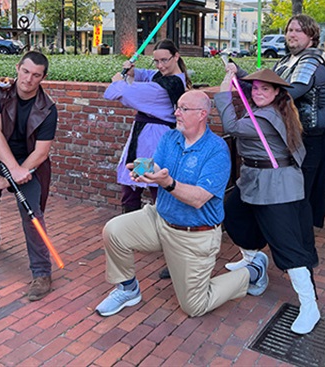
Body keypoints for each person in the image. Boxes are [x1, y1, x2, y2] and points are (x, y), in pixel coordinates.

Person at [95, 90, 269, 318]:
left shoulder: (216, 150)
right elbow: (156, 165)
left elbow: (198, 198)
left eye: (183, 109)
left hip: (194, 235)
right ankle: (128, 289)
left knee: (195, 306)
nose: (176, 112)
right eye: (177, 107)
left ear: (201, 114)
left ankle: (253, 270)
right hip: (160, 219)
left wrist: (167, 182)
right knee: (114, 231)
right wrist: (141, 170)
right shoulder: (170, 137)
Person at [214, 66, 320, 334]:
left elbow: (230, 126)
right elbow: (256, 84)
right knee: (234, 212)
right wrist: (239, 71)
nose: (258, 92)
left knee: (287, 245)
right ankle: (253, 259)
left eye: (266, 88)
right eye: (255, 88)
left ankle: (310, 305)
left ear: (276, 92)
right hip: (255, 179)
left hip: (276, 185)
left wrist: (226, 84)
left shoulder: (264, 118)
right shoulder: (278, 107)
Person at [0, 51, 58, 301]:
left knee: (32, 213)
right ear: (17, 68)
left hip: (29, 161)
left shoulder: (48, 109)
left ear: (43, 77)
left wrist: (12, 177)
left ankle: (42, 272)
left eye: (36, 75)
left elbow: (41, 152)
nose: (28, 79)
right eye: (25, 71)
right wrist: (10, 170)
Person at [105, 39, 191, 279]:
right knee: (133, 186)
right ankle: (127, 234)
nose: (160, 65)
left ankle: (173, 252)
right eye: (157, 59)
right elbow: (149, 75)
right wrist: (135, 71)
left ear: (176, 57)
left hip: (152, 144)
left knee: (157, 192)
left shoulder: (167, 86)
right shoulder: (169, 77)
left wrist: (119, 80)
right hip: (146, 140)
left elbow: (117, 93)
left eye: (165, 59)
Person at [273, 14, 325, 229]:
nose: (292, 34)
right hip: (296, 131)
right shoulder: (286, 60)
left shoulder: (312, 59)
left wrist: (261, 95)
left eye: (298, 30)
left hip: (313, 133)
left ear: (311, 35)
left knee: (305, 185)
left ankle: (301, 235)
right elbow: (268, 83)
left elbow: (294, 90)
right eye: (289, 30)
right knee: (297, 183)